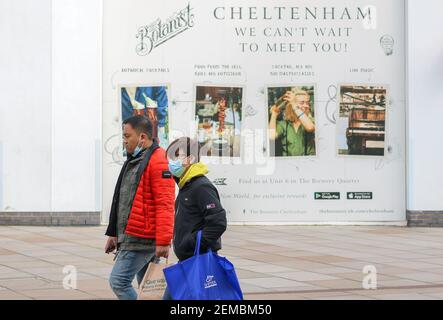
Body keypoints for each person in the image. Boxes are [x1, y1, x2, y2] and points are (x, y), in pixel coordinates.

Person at [105, 115, 175, 300]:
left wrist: (163, 240)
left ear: (142, 137)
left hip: (142, 238)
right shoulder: (136, 159)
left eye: (127, 136)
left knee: (118, 281)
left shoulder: (158, 160)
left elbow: (165, 203)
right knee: (150, 288)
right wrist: (114, 234)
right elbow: (122, 200)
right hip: (133, 235)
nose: (124, 140)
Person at [162, 137, 227, 300]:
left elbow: (218, 222)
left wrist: (193, 242)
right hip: (188, 261)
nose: (172, 162)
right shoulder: (186, 185)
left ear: (190, 159)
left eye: (177, 156)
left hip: (199, 260)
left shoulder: (200, 186)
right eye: (170, 157)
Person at [269, 89, 316, 156]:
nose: (306, 106)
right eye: (302, 103)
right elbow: (271, 136)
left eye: (307, 103)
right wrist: (274, 114)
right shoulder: (284, 124)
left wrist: (294, 104)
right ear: (291, 106)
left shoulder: (311, 120)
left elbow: (310, 127)